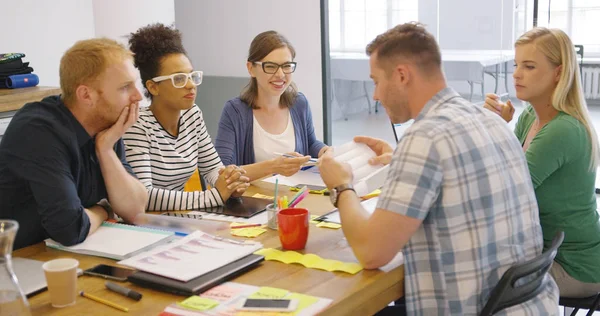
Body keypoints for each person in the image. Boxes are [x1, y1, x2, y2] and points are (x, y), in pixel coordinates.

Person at [318, 23, 558, 315]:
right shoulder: (489, 120)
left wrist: (342, 186)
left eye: (376, 81)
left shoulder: (425, 138)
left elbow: (371, 253)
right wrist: (399, 158)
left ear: (402, 75)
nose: (376, 95)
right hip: (526, 306)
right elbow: (455, 176)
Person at [484, 27, 600, 298]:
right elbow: (505, 169)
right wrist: (498, 127)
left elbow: (505, 193)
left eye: (529, 66)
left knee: (475, 284)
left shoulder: (563, 130)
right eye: (517, 65)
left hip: (575, 266)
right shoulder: (529, 118)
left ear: (558, 73)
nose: (516, 73)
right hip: (543, 250)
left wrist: (490, 128)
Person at [0, 38, 148, 249]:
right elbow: (70, 228)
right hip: (19, 263)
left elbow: (135, 211)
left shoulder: (105, 125)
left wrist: (105, 149)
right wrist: (104, 210)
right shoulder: (38, 130)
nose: (138, 96)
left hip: (63, 254)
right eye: (125, 87)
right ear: (86, 95)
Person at [124, 23, 249, 211]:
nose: (191, 85)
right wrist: (214, 195)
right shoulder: (137, 126)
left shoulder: (193, 114)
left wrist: (229, 182)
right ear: (153, 87)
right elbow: (144, 196)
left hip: (178, 218)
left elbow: (212, 168)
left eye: (192, 76)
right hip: (146, 225)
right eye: (179, 79)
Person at [215, 30, 329, 181]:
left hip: (294, 197)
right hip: (254, 201)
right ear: (251, 68)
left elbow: (311, 143)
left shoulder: (299, 103)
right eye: (270, 66)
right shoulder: (235, 111)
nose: (280, 74)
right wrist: (274, 166)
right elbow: (223, 171)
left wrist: (324, 151)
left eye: (286, 66)